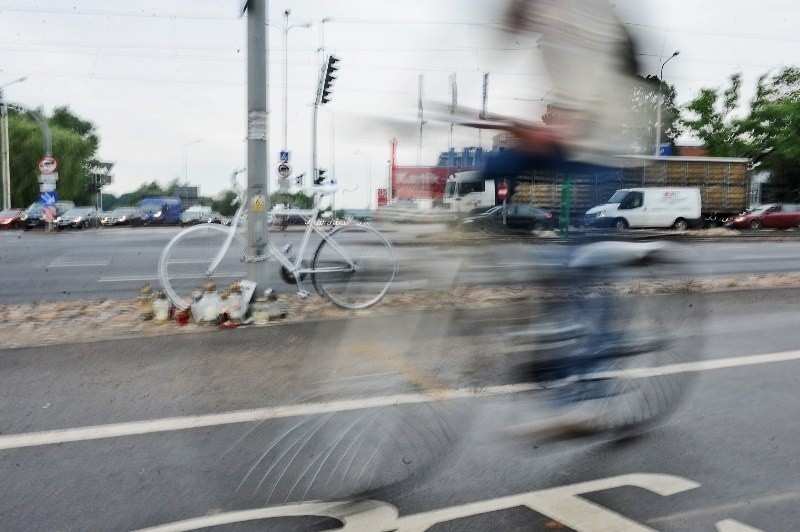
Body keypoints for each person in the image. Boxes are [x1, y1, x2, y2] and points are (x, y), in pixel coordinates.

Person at [480, 0, 650, 180]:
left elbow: (588, 98)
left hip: (598, 150)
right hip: (586, 143)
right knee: (497, 167)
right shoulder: (553, 33)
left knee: (497, 167)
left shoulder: (574, 24)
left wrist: (545, 133)